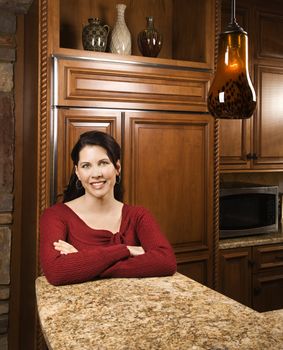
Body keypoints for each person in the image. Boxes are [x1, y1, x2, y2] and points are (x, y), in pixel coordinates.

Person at [40, 130, 177, 286]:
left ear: (117, 167)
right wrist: (126, 250)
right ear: (77, 172)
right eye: (86, 166)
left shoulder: (138, 215)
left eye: (103, 163)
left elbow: (166, 262)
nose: (96, 173)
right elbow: (57, 272)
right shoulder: (55, 216)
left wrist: (85, 263)